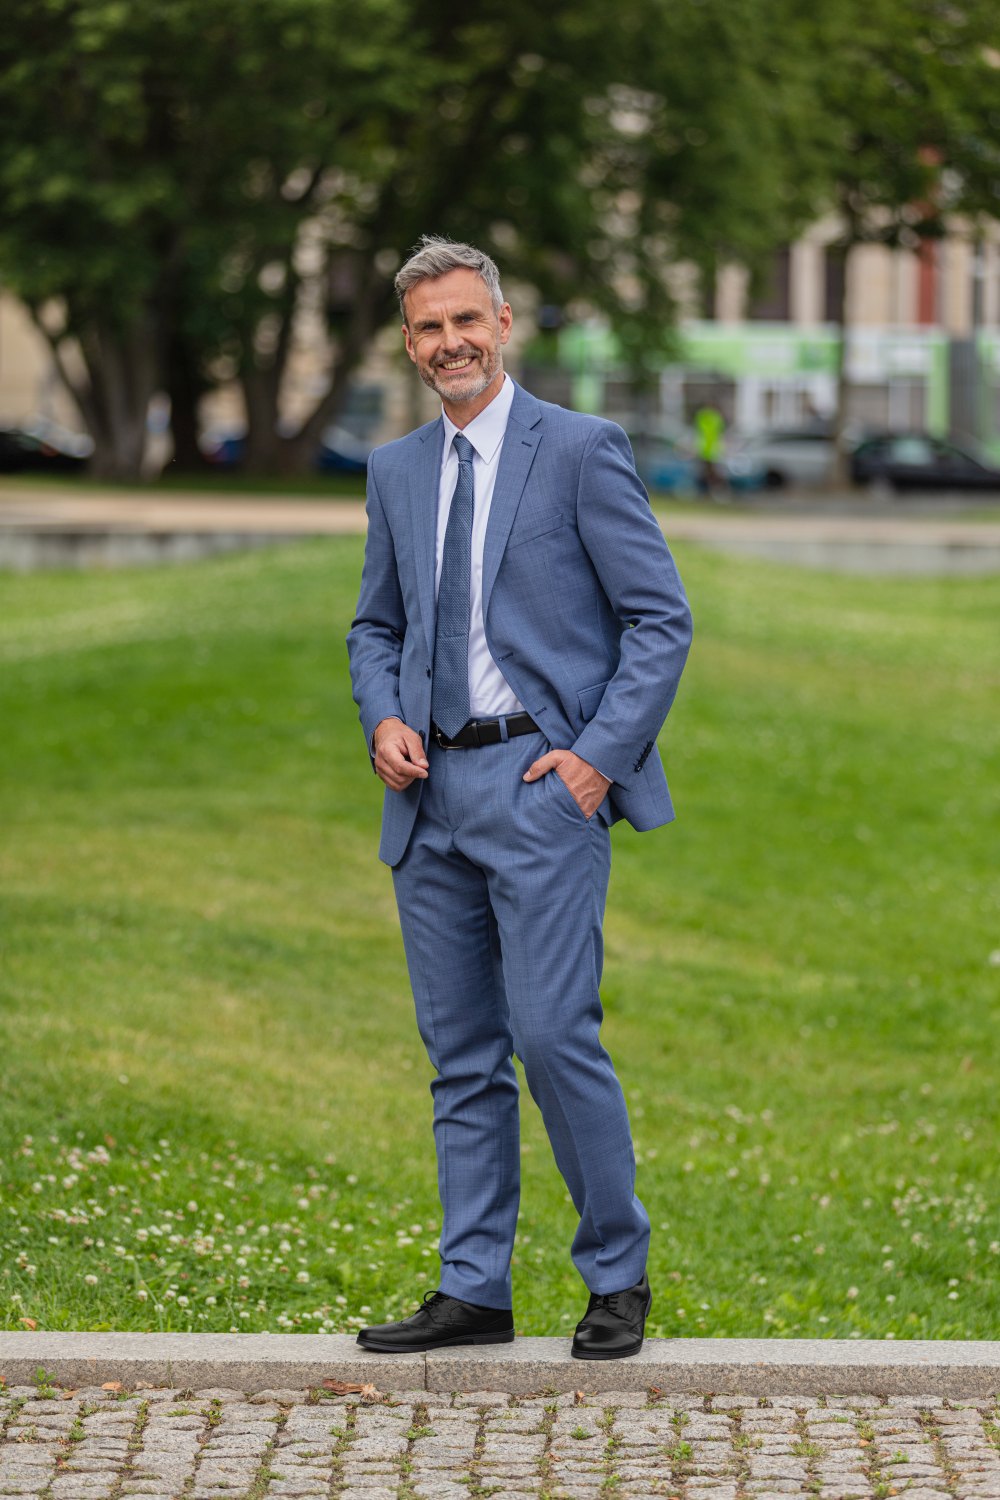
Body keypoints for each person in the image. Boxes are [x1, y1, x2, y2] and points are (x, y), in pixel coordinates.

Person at [346, 236, 692, 1360]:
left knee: (550, 1037)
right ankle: (473, 1289)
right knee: (460, 1058)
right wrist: (384, 716)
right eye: (427, 327)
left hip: (542, 784)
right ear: (409, 344)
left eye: (465, 321)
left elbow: (658, 620)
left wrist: (594, 760)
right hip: (428, 791)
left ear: (504, 326)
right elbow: (377, 626)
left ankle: (616, 1273)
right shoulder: (395, 469)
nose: (449, 342)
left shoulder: (581, 450)